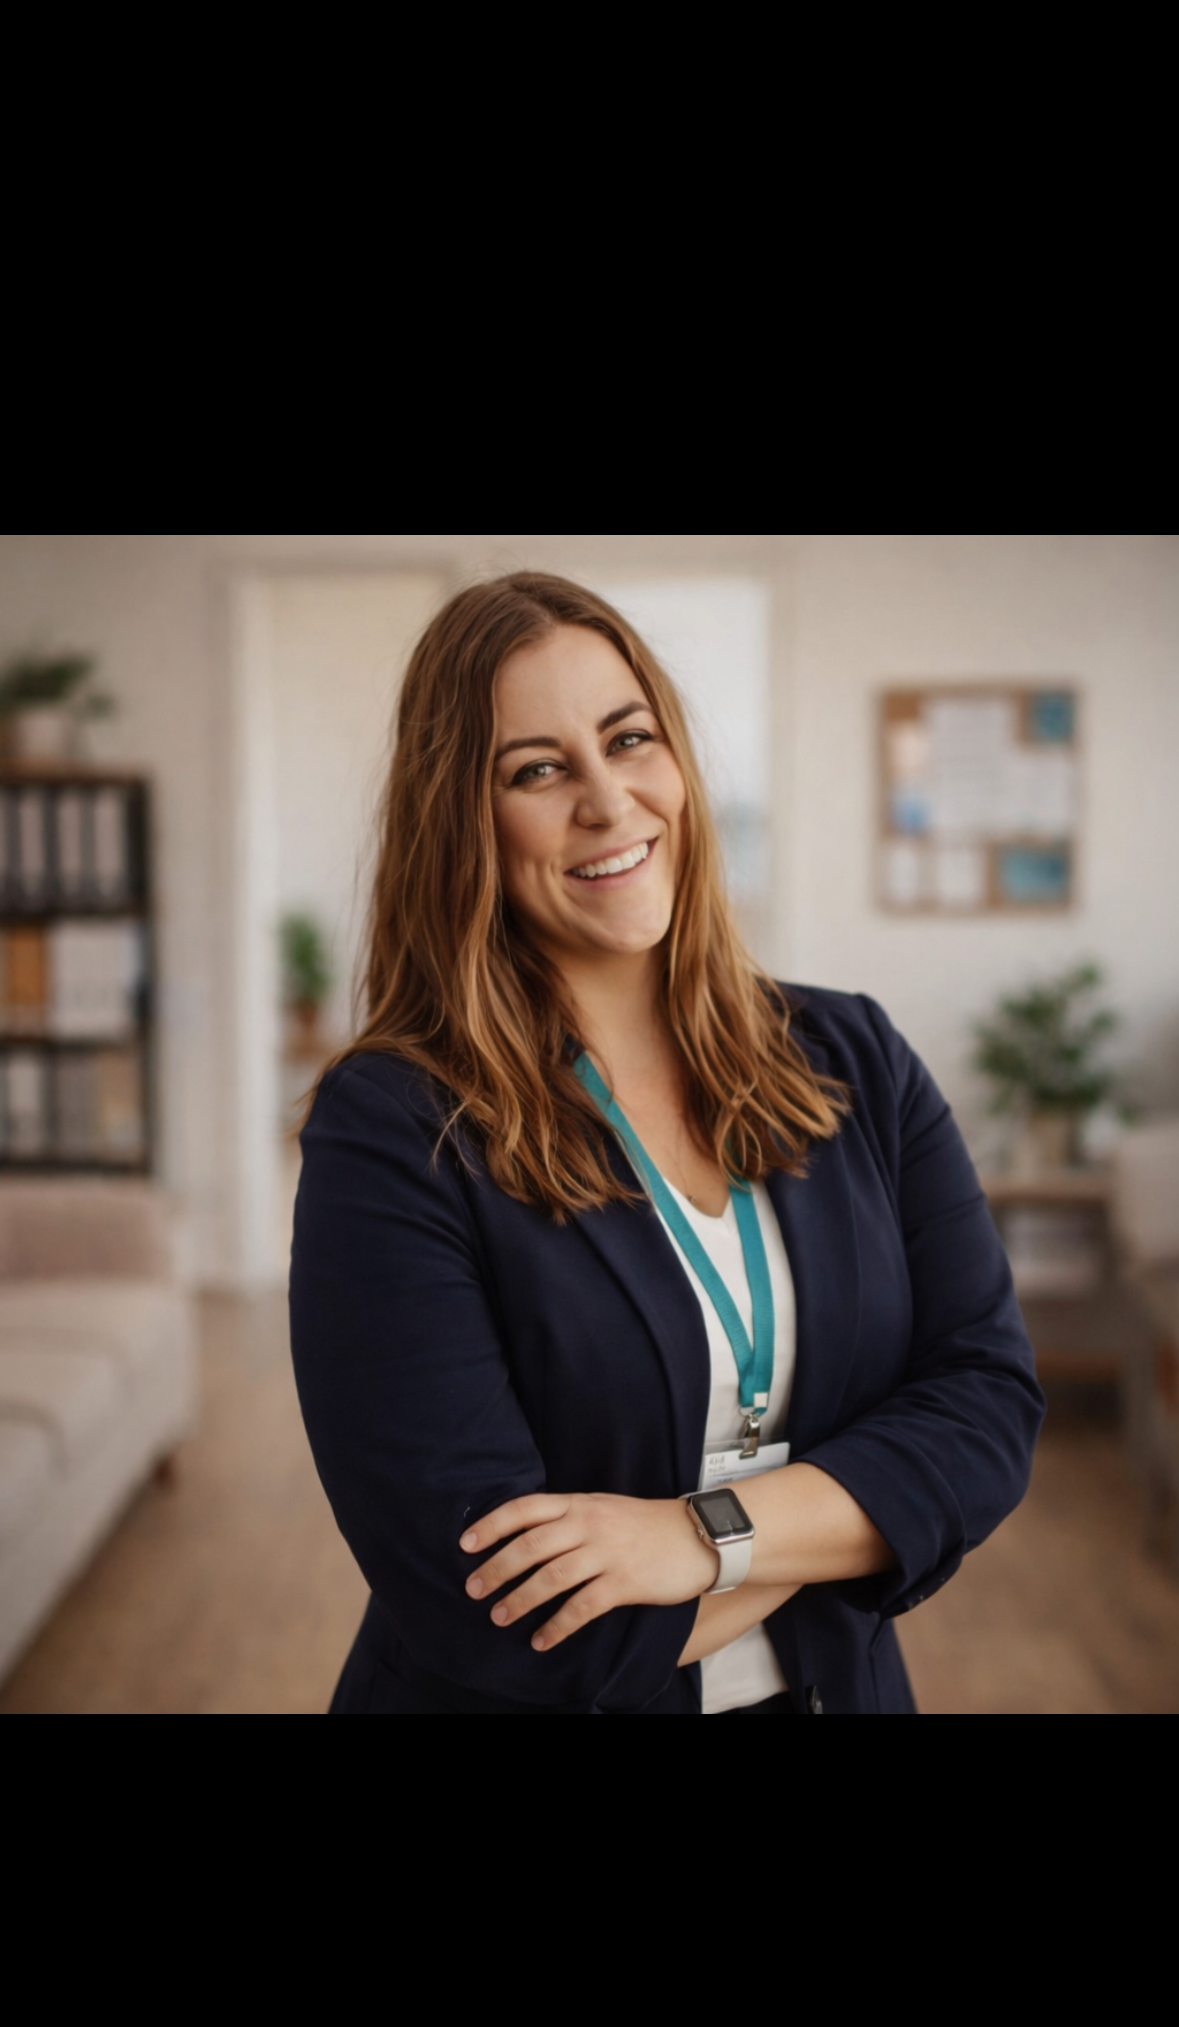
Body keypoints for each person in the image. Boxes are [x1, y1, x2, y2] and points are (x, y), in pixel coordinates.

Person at [290, 573, 1043, 1715]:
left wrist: (701, 1536)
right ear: (464, 822)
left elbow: (988, 1409)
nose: (608, 800)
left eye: (628, 739)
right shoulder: (395, 1125)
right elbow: (495, 1609)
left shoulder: (854, 1058)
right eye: (536, 770)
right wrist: (861, 1523)